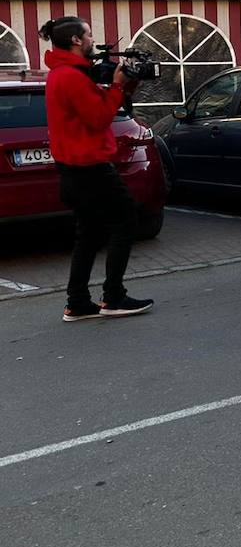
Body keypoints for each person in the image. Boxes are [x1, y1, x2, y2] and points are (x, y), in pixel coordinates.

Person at [41, 16, 155, 322]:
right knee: (126, 220)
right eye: (89, 34)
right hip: (88, 167)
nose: (93, 40)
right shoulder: (71, 77)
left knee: (89, 233)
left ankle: (77, 302)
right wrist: (117, 87)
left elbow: (93, 109)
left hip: (74, 168)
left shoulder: (64, 73)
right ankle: (113, 297)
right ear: (77, 40)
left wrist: (122, 88)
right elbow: (99, 118)